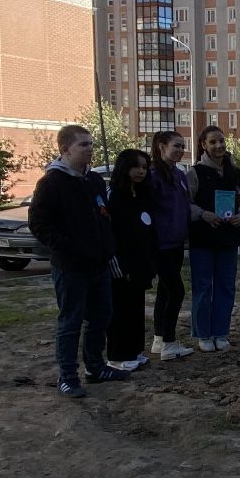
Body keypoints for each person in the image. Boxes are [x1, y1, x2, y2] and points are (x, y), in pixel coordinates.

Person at [27, 124, 129, 397]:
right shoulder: (52, 183)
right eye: (84, 145)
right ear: (65, 149)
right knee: (71, 321)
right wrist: (68, 247)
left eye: (92, 144)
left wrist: (106, 247)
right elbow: (39, 223)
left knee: (101, 317)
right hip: (71, 266)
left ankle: (96, 367)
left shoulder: (93, 180)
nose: (90, 150)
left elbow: (103, 217)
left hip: (99, 264)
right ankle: (68, 376)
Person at [188, 125, 240, 353]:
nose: (218, 146)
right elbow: (187, 203)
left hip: (228, 239)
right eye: (213, 142)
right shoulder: (194, 173)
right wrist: (203, 214)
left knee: (226, 287)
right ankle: (203, 333)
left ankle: (221, 332)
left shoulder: (235, 173)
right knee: (203, 288)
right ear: (203, 145)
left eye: (221, 141)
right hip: (202, 240)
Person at [106, 147, 158, 372]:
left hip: (141, 261)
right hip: (121, 261)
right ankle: (118, 355)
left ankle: (135, 350)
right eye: (136, 167)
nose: (141, 171)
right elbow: (111, 231)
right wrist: (116, 260)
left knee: (136, 308)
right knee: (120, 310)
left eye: (145, 167)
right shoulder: (115, 196)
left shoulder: (143, 194)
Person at [146, 130, 195, 361]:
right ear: (161, 147)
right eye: (176, 145)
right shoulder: (153, 175)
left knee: (165, 292)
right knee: (177, 291)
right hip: (160, 244)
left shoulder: (179, 175)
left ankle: (159, 339)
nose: (180, 150)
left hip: (176, 242)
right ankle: (169, 342)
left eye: (182, 146)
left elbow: (184, 205)